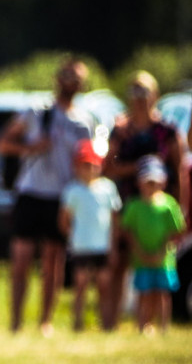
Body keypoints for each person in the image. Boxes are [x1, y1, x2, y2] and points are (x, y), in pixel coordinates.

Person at [0, 57, 93, 335]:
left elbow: (88, 159)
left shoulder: (83, 121)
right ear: (57, 78)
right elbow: (2, 143)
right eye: (66, 75)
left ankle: (45, 321)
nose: (70, 82)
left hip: (61, 196)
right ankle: (15, 321)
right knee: (21, 259)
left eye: (77, 78)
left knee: (54, 261)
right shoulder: (36, 111)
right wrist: (31, 148)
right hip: (30, 192)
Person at [103, 71, 187, 328]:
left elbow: (180, 169)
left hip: (159, 210)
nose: (139, 99)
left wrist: (182, 207)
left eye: (145, 92)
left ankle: (153, 323)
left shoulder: (168, 130)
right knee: (119, 264)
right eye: (134, 92)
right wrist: (136, 169)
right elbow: (108, 168)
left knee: (158, 266)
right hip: (128, 206)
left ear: (156, 95)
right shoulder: (121, 130)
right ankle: (110, 322)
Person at [58, 140, 121, 332]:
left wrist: (114, 246)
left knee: (104, 287)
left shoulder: (108, 188)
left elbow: (114, 219)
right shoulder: (72, 190)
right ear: (77, 166)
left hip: (102, 247)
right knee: (81, 287)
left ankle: (107, 325)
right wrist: (73, 237)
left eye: (93, 164)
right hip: (81, 247)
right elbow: (64, 220)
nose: (90, 169)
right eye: (85, 164)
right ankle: (77, 324)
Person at [121, 156, 186, 333]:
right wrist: (140, 252)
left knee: (162, 294)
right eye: (147, 182)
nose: (151, 186)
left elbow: (176, 231)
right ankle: (143, 326)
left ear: (163, 182)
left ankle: (164, 328)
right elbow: (127, 231)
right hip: (141, 259)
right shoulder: (134, 205)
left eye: (154, 182)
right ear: (139, 183)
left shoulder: (168, 205)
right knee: (144, 293)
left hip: (164, 260)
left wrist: (161, 252)